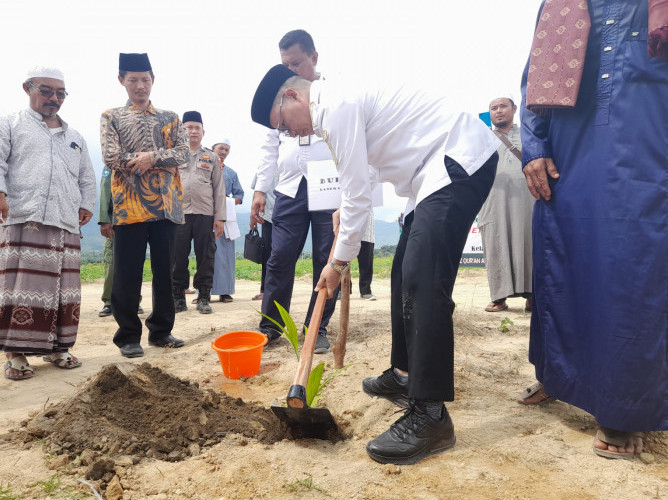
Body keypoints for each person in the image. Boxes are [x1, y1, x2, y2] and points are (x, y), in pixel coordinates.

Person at [251, 64, 499, 465]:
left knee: (423, 283)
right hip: (427, 176)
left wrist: (337, 262)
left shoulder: (334, 106)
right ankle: (403, 376)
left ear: (294, 96)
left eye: (283, 124)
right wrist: (345, 212)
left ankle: (430, 415)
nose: (290, 135)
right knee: (403, 273)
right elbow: (361, 177)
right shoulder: (335, 113)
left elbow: (356, 193)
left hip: (456, 159)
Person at [520, 0, 667, 458]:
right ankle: (556, 376)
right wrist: (534, 147)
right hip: (566, 155)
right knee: (561, 260)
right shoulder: (560, 4)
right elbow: (530, 84)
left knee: (632, 274)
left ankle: (622, 411)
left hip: (642, 157)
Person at [0, 66, 97, 380]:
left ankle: (59, 349)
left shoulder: (75, 137)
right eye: (46, 91)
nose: (54, 98)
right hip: (22, 216)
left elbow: (87, 176)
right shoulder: (8, 123)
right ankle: (15, 355)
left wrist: (86, 204)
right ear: (28, 87)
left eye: (60, 93)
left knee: (63, 290)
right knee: (19, 288)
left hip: (65, 222)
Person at [251, 29, 338, 354]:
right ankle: (271, 326)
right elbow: (269, 143)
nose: (290, 69)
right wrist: (261, 188)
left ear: (313, 58)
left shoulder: (332, 91)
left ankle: (318, 325)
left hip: (329, 185)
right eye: (285, 63)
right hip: (289, 187)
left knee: (326, 258)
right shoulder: (281, 92)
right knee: (279, 257)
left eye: (296, 62)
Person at [100, 53, 189, 358]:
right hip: (129, 206)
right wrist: (145, 159)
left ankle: (161, 332)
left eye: (145, 80)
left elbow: (183, 153)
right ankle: (128, 336)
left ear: (153, 80)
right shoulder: (111, 116)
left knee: (165, 271)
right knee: (128, 273)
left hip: (166, 207)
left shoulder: (170, 117)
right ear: (122, 80)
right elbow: (111, 157)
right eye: (133, 80)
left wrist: (153, 157)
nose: (140, 86)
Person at [478, 95, 533, 313]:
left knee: (530, 241)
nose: (498, 111)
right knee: (496, 241)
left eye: (503, 106)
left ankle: (532, 294)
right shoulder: (482, 137)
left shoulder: (529, 133)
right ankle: (499, 297)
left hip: (528, 197)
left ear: (514, 108)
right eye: (493, 108)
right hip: (493, 197)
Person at [172, 111, 226, 314]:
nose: (193, 131)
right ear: (182, 130)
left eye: (197, 128)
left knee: (206, 256)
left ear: (203, 132)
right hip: (179, 214)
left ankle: (204, 297)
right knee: (178, 257)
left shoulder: (211, 157)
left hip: (205, 214)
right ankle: (178, 297)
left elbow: (219, 189)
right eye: (188, 127)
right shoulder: (174, 155)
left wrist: (220, 217)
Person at [96, 164, 144, 318]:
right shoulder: (111, 164)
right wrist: (104, 219)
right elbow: (104, 190)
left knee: (135, 262)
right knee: (112, 262)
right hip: (116, 220)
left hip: (138, 218)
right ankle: (109, 302)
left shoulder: (140, 161)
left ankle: (134, 301)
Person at [210, 138, 243, 303]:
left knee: (226, 256)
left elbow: (239, 196)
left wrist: (226, 201)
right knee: (206, 254)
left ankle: (225, 292)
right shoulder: (204, 168)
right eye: (221, 148)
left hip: (226, 219)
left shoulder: (231, 173)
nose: (223, 152)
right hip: (206, 217)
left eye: (227, 150)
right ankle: (204, 292)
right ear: (212, 148)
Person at [250, 170, 279, 302]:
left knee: (285, 253)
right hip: (267, 217)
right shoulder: (264, 168)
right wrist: (253, 215)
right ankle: (265, 290)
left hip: (290, 216)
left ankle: (280, 289)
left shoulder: (293, 160)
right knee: (267, 254)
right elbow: (257, 193)